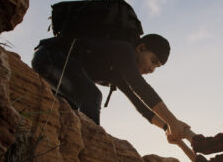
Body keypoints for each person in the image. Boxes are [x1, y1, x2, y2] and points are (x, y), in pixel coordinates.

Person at [31, 33, 190, 139]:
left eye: (157, 67)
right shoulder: (123, 50)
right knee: (92, 96)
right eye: (153, 61)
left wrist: (166, 126)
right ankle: (92, 146)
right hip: (49, 57)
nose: (152, 69)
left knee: (71, 107)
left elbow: (140, 105)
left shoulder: (118, 72)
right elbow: (140, 87)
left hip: (59, 69)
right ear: (141, 48)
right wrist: (172, 121)